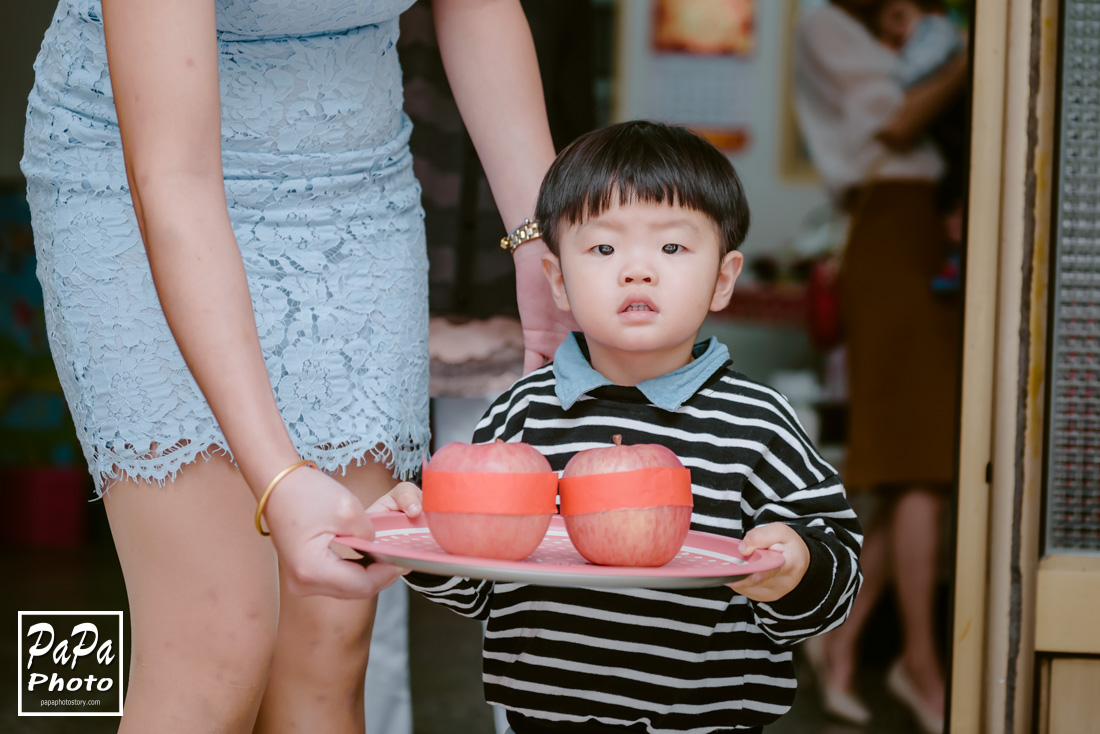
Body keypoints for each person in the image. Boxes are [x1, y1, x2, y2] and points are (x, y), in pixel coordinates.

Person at [20, 0, 570, 731]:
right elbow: (175, 180)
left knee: (329, 639)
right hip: (141, 174)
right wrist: (277, 475)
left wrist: (541, 237)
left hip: (355, 187)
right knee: (218, 640)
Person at [402, 120, 864, 734]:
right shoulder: (522, 417)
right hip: (541, 722)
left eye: (672, 248)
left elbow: (838, 576)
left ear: (724, 279)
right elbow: (477, 588)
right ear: (558, 280)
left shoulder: (757, 423)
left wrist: (797, 566)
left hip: (708, 724)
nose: (637, 271)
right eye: (603, 248)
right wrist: (423, 544)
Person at [793, 2, 969, 732]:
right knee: (922, 466)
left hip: (923, 231)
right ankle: (919, 663)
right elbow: (896, 120)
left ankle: (847, 644)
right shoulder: (822, 20)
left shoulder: (890, 28)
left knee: (914, 466)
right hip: (888, 227)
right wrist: (964, 62)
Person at [872, 0, 969, 292]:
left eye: (900, 15)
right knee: (951, 194)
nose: (895, 29)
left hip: (959, 133)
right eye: (885, 26)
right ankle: (956, 260)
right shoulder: (918, 38)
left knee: (957, 193)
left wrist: (890, 75)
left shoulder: (936, 31)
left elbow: (917, 70)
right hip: (950, 141)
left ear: (929, 10)